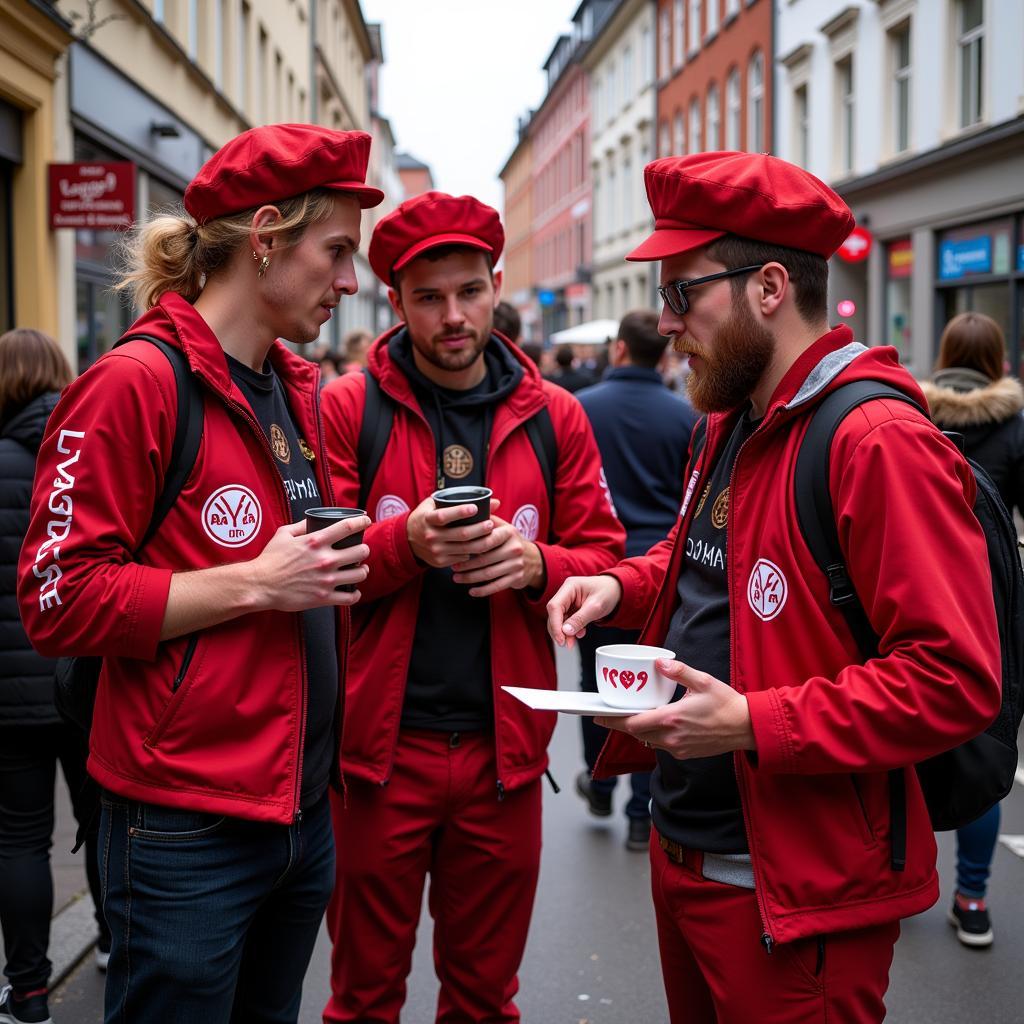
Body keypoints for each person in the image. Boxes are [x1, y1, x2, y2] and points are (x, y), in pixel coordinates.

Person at [546, 151, 1000, 1024]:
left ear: (767, 287)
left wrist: (756, 722)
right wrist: (617, 583)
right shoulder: (731, 419)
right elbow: (694, 555)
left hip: (797, 898)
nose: (667, 321)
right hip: (690, 857)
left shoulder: (874, 440)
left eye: (684, 294)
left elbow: (954, 678)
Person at [17, 124, 382, 1024]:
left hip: (300, 815)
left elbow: (297, 572)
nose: (350, 281)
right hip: (183, 830)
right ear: (264, 236)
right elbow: (56, 600)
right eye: (336, 252)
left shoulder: (294, 387)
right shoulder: (133, 383)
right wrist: (256, 583)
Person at [319, 190, 625, 1024]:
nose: (453, 316)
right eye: (429, 297)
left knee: (486, 998)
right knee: (364, 996)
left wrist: (535, 564)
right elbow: (311, 571)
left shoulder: (555, 415)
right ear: (397, 301)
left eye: (469, 292)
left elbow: (604, 556)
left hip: (504, 759)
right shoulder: (348, 406)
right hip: (379, 758)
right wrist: (404, 547)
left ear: (497, 285)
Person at [0, 329, 111, 1024]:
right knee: (104, 820)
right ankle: (115, 942)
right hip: (84, 673)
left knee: (19, 838)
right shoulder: (84, 453)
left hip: (8, 693)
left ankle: (31, 991)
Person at [573, 311, 697, 851]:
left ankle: (599, 780)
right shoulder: (686, 416)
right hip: (663, 568)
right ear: (661, 354)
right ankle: (642, 811)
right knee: (655, 690)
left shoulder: (582, 408)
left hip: (602, 565)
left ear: (620, 349)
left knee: (594, 684)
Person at [920, 311, 1024, 949]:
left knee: (897, 733)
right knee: (981, 742)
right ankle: (974, 898)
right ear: (998, 360)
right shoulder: (1014, 426)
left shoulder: (912, 413)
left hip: (914, 590)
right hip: (988, 598)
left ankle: (893, 876)